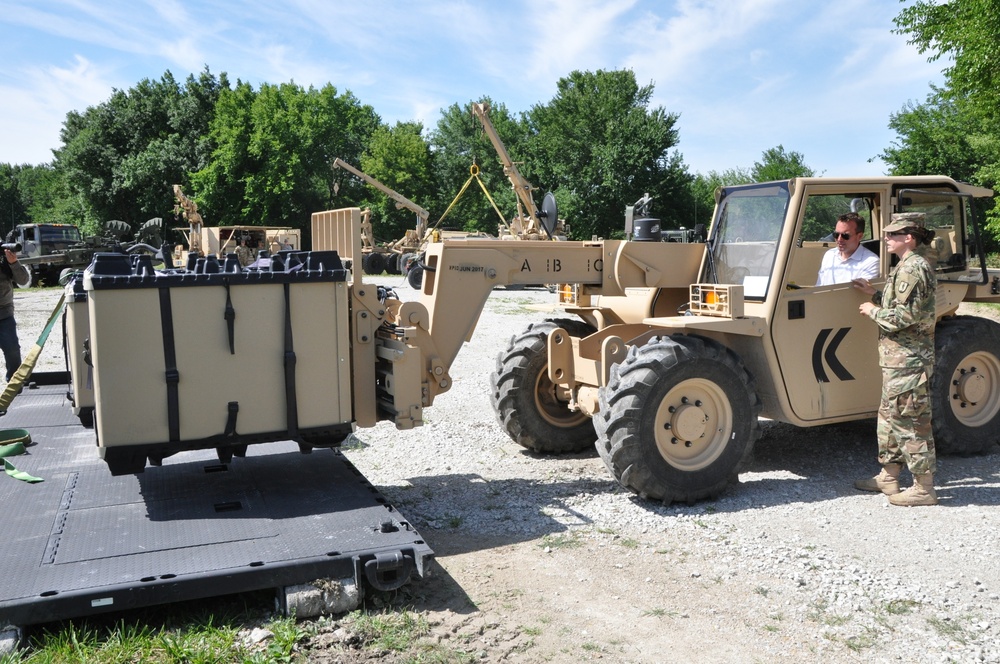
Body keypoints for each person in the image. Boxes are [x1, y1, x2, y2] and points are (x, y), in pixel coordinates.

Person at [853, 212, 938, 506]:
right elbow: (901, 303)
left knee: (911, 422)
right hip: (896, 361)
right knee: (889, 419)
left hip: (909, 362)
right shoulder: (905, 265)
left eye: (892, 234)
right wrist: (875, 295)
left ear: (909, 237)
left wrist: (872, 310)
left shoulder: (913, 268)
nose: (886, 239)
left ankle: (924, 488)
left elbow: (905, 316)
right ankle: (889, 477)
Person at [816, 212, 880, 286]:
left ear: (859, 236)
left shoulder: (871, 262)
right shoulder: (829, 255)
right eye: (836, 234)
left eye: (845, 236)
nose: (839, 239)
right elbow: (819, 286)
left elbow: (862, 295)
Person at [0, 247, 30, 382]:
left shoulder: (3, 261)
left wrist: (13, 263)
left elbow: (23, 280)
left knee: (12, 350)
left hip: (4, 314)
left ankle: (14, 383)